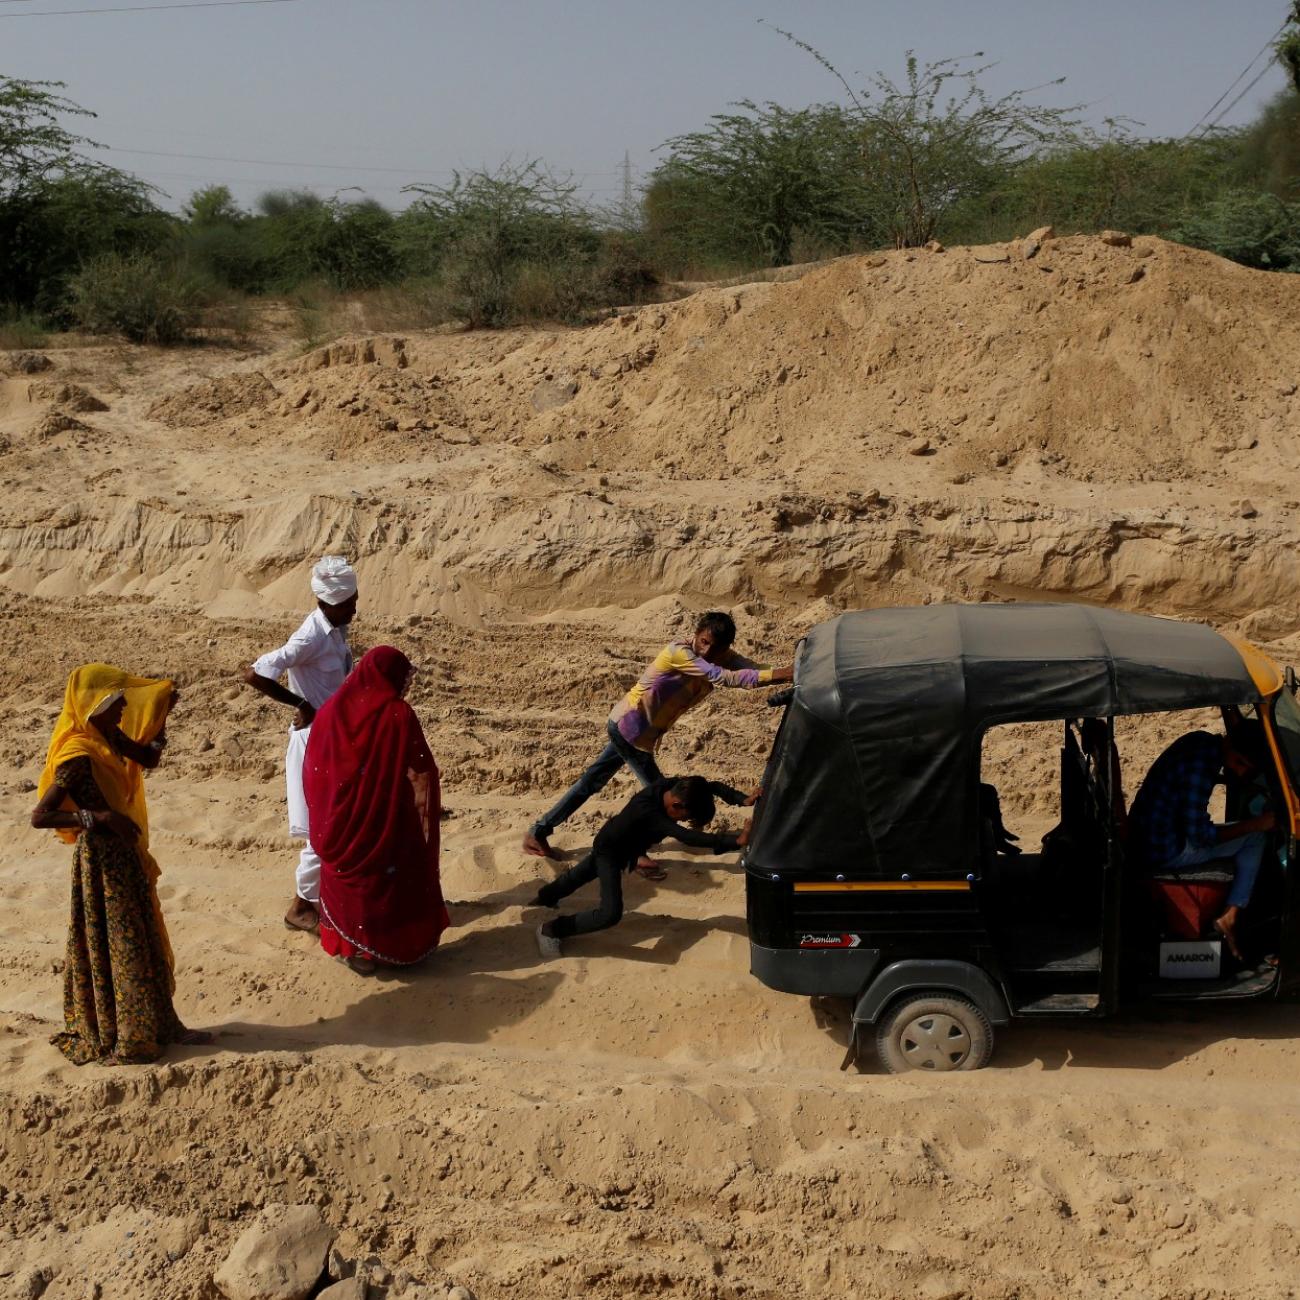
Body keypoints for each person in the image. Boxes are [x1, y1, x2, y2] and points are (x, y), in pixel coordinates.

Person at [30, 665, 211, 1065]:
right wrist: (99, 818)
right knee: (120, 943)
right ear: (92, 707)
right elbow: (41, 816)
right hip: (101, 863)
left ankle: (158, 1026)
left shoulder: (107, 737)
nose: (124, 706)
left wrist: (162, 718)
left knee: (140, 937)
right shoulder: (77, 756)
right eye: (115, 703)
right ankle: (128, 1036)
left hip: (124, 857)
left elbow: (147, 758)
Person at [522, 612, 792, 865]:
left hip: (641, 734)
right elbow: (721, 677)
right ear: (696, 634)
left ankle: (539, 831)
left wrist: (790, 671)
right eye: (704, 642)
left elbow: (755, 670)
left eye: (715, 648)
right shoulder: (681, 652)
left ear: (726, 648)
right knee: (660, 799)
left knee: (591, 782)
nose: (707, 651)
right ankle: (633, 851)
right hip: (630, 729)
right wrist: (786, 673)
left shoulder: (723, 656)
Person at [303, 646, 449, 975]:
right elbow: (419, 765)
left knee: (361, 886)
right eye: (403, 677)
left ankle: (357, 949)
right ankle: (390, 948)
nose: (407, 684)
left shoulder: (330, 711)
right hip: (386, 817)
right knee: (387, 881)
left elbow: (317, 768)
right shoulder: (398, 714)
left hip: (340, 820)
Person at [244, 555, 357, 933]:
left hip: (332, 737)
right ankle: (301, 907)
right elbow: (257, 674)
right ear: (327, 603)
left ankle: (317, 898)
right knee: (317, 830)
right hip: (312, 742)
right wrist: (302, 704)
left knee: (334, 823)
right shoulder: (310, 636)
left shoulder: (335, 632)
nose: (354, 609)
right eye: (348, 604)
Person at [534, 774, 755, 957]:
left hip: (623, 845)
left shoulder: (671, 787)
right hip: (611, 852)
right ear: (676, 805)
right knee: (610, 913)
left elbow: (710, 786)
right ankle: (551, 930)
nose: (680, 821)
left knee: (579, 875)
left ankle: (543, 898)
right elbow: (686, 837)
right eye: (682, 817)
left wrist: (740, 798)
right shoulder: (649, 810)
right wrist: (735, 841)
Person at [1128, 722, 1276, 959]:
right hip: (1165, 850)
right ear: (1228, 744)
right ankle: (1230, 916)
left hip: (1151, 837)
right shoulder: (1201, 766)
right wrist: (1255, 824)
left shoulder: (1201, 742)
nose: (1239, 772)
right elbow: (1202, 837)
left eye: (1246, 770)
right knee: (1255, 838)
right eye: (1239, 763)